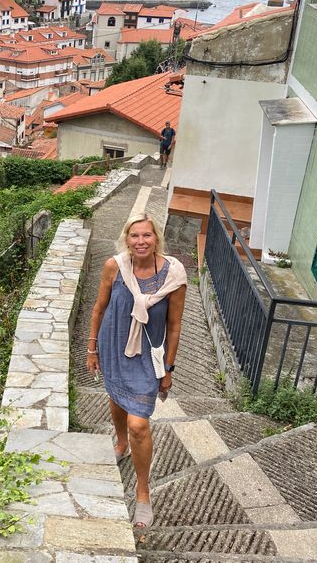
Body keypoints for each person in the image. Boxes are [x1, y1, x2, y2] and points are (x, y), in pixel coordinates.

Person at [86, 213, 187, 530]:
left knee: (139, 423)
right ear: (126, 239)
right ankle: (120, 444)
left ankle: (143, 492)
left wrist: (169, 368)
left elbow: (174, 324)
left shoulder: (174, 274)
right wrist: (92, 348)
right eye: (134, 236)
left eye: (147, 235)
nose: (141, 241)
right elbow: (99, 308)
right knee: (116, 398)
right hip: (113, 346)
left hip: (148, 356)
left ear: (156, 238)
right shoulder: (114, 267)